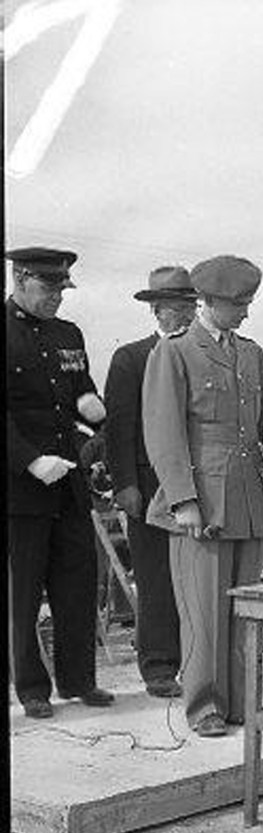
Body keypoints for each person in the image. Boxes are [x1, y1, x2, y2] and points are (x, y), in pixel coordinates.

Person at [142, 254, 263, 737]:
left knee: (245, 609)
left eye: (248, 303)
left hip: (246, 496)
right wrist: (183, 500)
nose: (246, 312)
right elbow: (163, 432)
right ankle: (204, 706)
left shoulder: (251, 354)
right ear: (209, 301)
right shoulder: (174, 352)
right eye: (238, 304)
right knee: (204, 611)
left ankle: (243, 702)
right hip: (201, 502)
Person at [6, 246, 115, 718]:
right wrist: (30, 461)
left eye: (61, 289)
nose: (57, 297)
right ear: (19, 279)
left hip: (68, 480)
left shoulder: (68, 333)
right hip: (21, 486)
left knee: (77, 583)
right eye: (48, 287)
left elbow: (78, 390)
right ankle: (32, 687)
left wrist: (91, 406)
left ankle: (79, 680)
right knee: (24, 591)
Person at [103, 267, 197, 698]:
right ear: (156, 310)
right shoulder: (131, 358)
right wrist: (125, 484)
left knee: (197, 578)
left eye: (191, 306)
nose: (186, 315)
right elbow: (118, 428)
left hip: (199, 484)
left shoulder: (204, 355)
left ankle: (199, 662)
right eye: (176, 307)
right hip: (149, 485)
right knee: (157, 578)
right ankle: (159, 667)